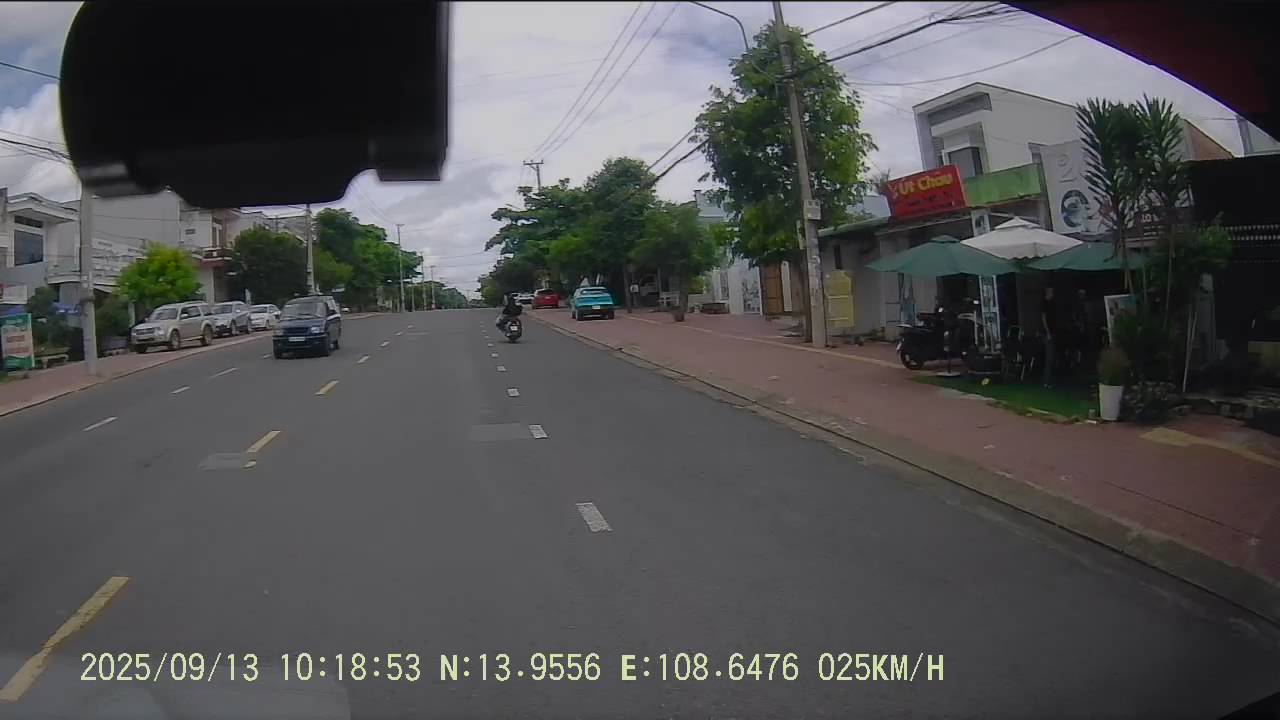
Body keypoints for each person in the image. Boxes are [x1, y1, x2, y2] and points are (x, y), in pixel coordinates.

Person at [1041, 286, 1059, 387]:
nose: (1052, 293)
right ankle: (1046, 381)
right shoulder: (1044, 303)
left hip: (1052, 332)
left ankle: (1049, 380)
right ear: (1047, 292)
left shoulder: (1052, 303)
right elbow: (1043, 318)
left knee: (1051, 357)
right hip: (1048, 334)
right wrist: (1048, 332)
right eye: (1051, 291)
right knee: (1049, 357)